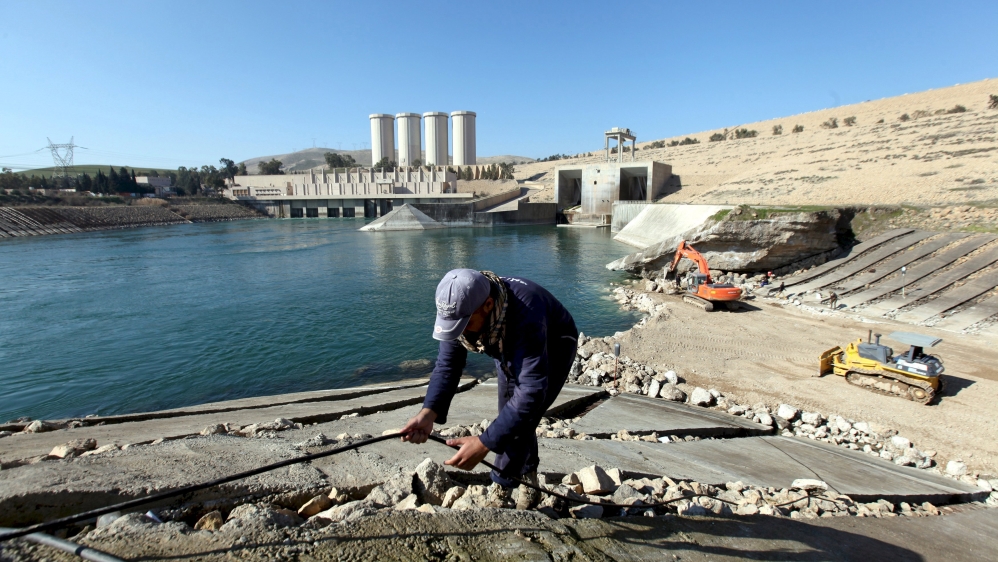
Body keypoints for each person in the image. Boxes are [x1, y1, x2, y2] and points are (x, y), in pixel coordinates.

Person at [401, 269, 578, 510]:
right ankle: (527, 476)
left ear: (488, 305)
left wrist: (484, 443)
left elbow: (530, 392)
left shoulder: (525, 315)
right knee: (510, 415)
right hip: (503, 337)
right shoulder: (461, 308)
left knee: (522, 413)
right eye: (454, 325)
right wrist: (428, 412)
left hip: (554, 342)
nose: (460, 331)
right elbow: (447, 366)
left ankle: (502, 490)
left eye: (465, 324)